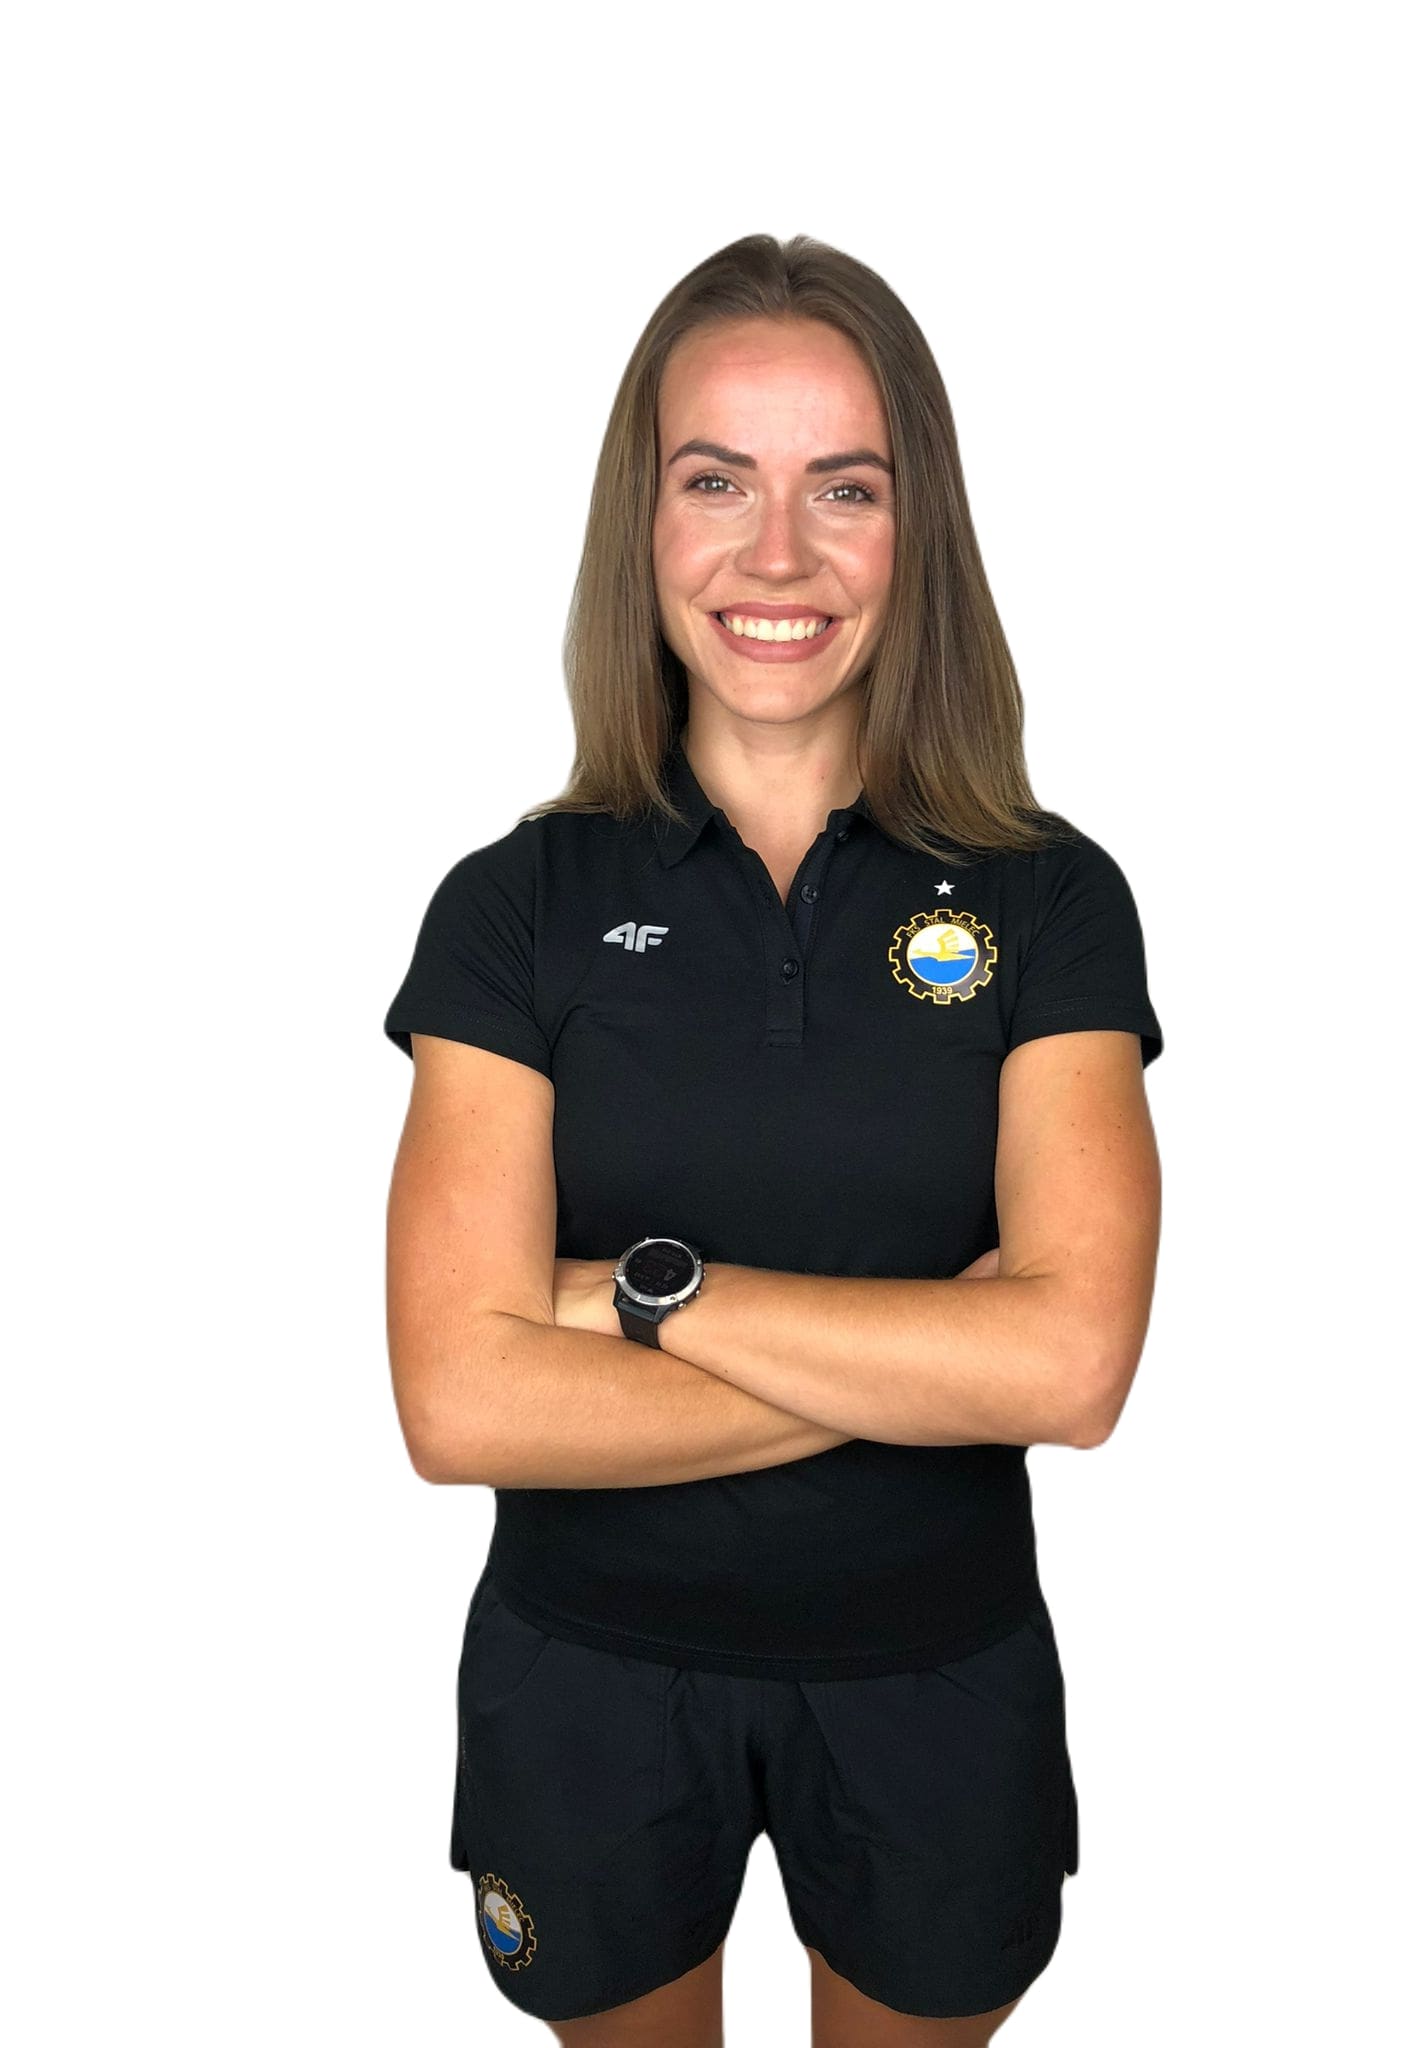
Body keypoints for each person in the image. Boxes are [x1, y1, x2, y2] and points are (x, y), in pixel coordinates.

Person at [383, 232, 1163, 2048]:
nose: (780, 556)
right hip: (589, 1682)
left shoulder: (1053, 904)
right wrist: (930, 1356)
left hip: (935, 1679)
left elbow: (1072, 1368)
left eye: (847, 489)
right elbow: (458, 1403)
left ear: (919, 529)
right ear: (643, 522)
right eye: (717, 481)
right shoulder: (512, 910)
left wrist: (634, 1297)